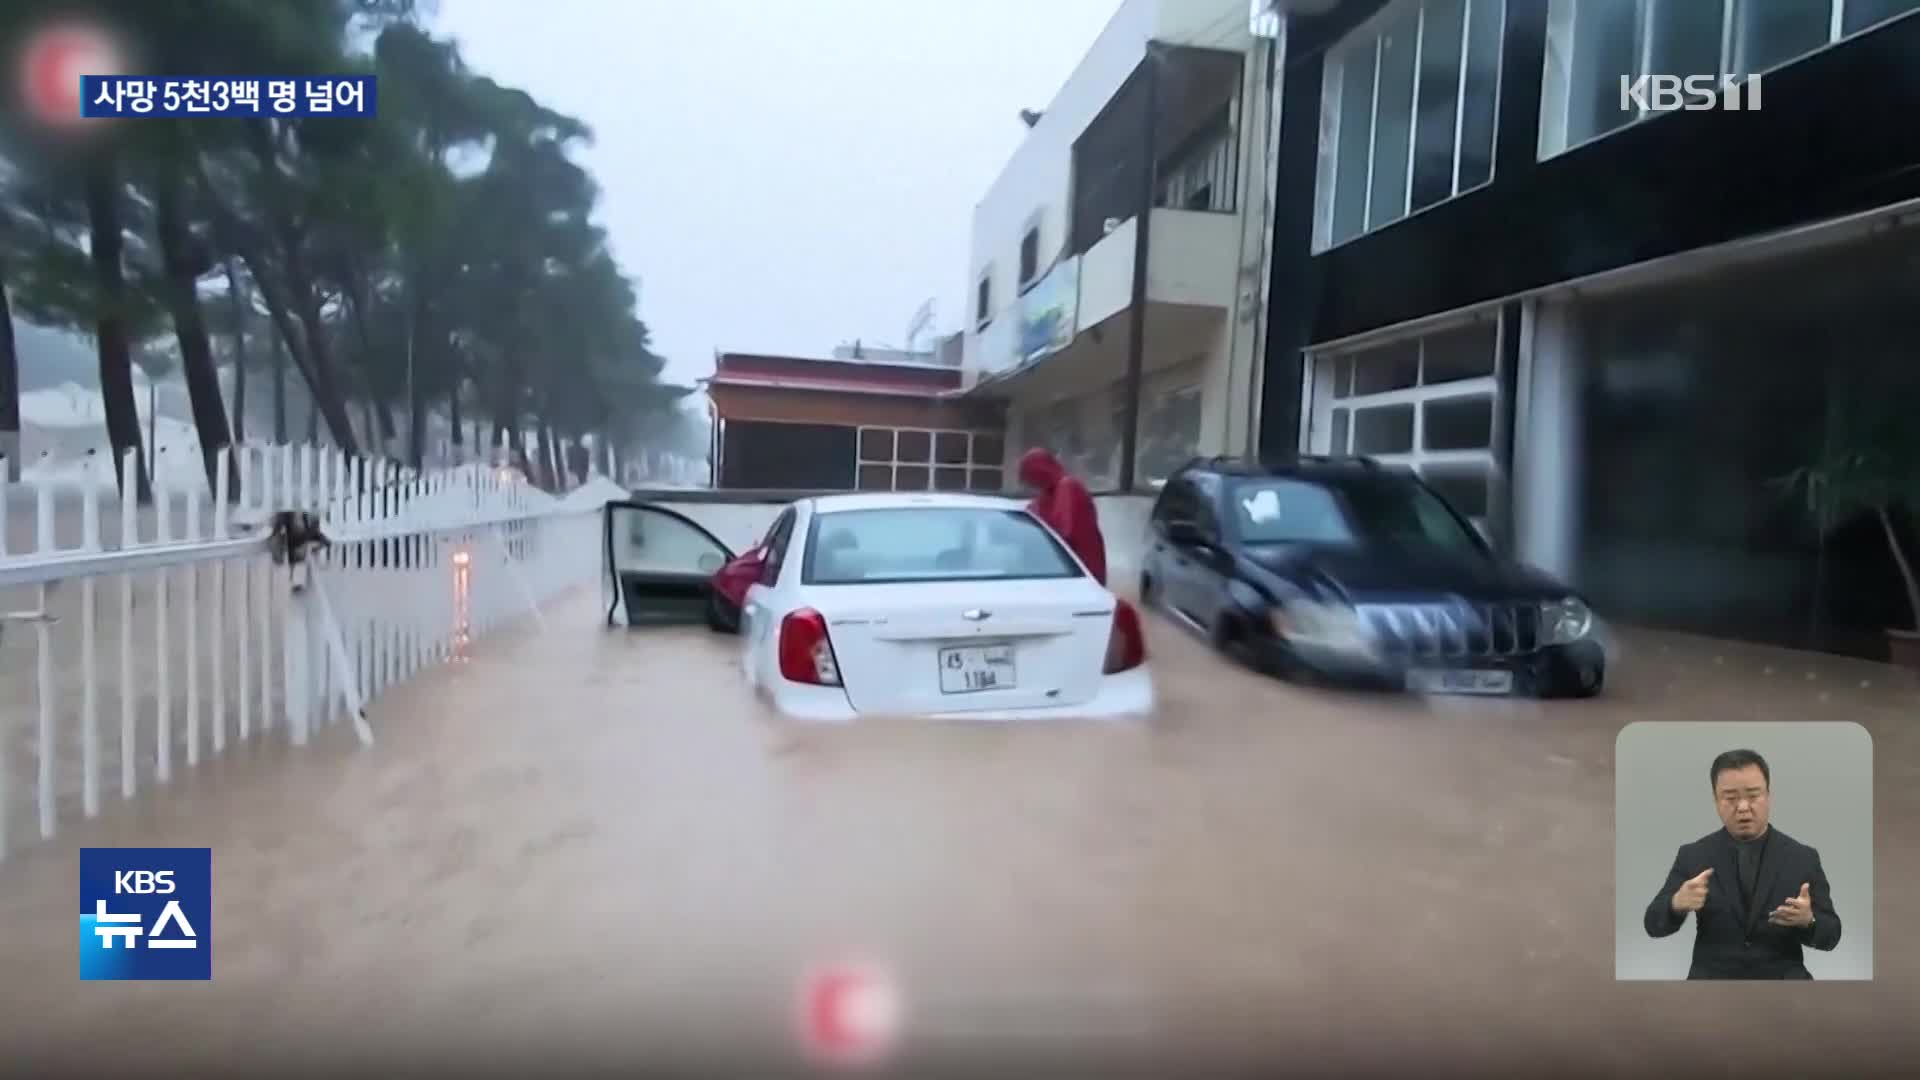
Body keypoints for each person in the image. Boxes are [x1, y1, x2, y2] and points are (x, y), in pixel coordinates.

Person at [1643, 748, 1842, 979]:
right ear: (1716, 800)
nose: (1743, 807)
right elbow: (1652, 924)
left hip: (1784, 986)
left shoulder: (1803, 857)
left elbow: (1832, 936)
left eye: (1753, 795)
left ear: (1768, 796)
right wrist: (1676, 904)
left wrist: (1809, 921)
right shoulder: (1693, 855)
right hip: (1711, 986)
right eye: (1730, 798)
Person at [1017, 447, 1106, 584]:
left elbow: (1066, 532)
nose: (1032, 485)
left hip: (1079, 572)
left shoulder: (1067, 488)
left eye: (1031, 478)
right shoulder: (1050, 493)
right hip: (1066, 572)